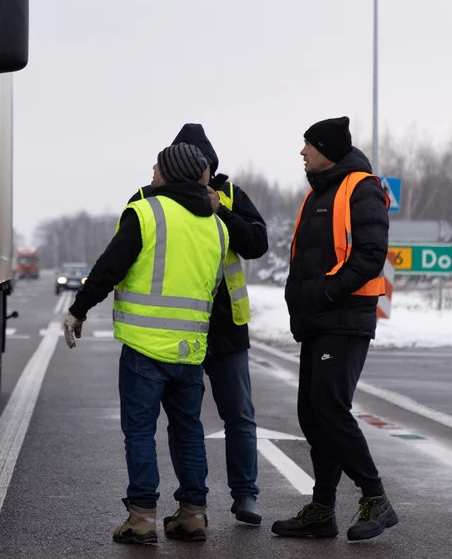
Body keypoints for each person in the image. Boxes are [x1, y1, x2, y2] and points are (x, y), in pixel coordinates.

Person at [64, 142, 229, 545]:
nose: (152, 171)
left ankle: (141, 520)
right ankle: (193, 515)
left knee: (140, 432)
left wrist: (79, 309)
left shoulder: (147, 213)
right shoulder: (218, 227)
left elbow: (109, 268)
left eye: (158, 166)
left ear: (171, 173)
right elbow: (213, 287)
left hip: (144, 347)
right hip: (190, 351)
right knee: (189, 432)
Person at [126, 124, 268, 525]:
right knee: (182, 423)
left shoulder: (231, 194)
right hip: (172, 330)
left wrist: (221, 210)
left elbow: (257, 243)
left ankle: (245, 495)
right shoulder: (148, 198)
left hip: (223, 327)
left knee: (238, 414)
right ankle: (189, 506)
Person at [273, 116, 398, 542]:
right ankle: (322, 510)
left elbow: (369, 256)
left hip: (344, 319)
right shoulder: (317, 195)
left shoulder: (361, 187)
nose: (303, 152)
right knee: (313, 414)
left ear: (328, 148)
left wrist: (326, 294)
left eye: (309, 145)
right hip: (318, 321)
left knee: (329, 408)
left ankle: (375, 497)